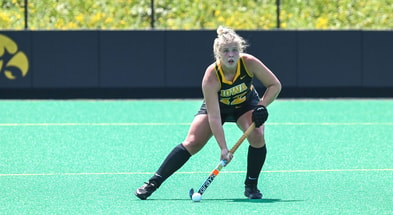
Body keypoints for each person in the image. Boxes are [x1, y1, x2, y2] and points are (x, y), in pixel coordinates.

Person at [135, 26, 281, 200]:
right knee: (193, 141)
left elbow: (275, 85)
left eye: (235, 50)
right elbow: (214, 116)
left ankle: (251, 185)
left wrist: (261, 106)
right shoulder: (211, 76)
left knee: (257, 134)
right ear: (218, 54)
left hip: (245, 104)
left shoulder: (249, 62)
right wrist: (223, 149)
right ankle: (153, 182)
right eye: (226, 51)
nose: (231, 55)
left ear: (240, 51)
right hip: (217, 108)